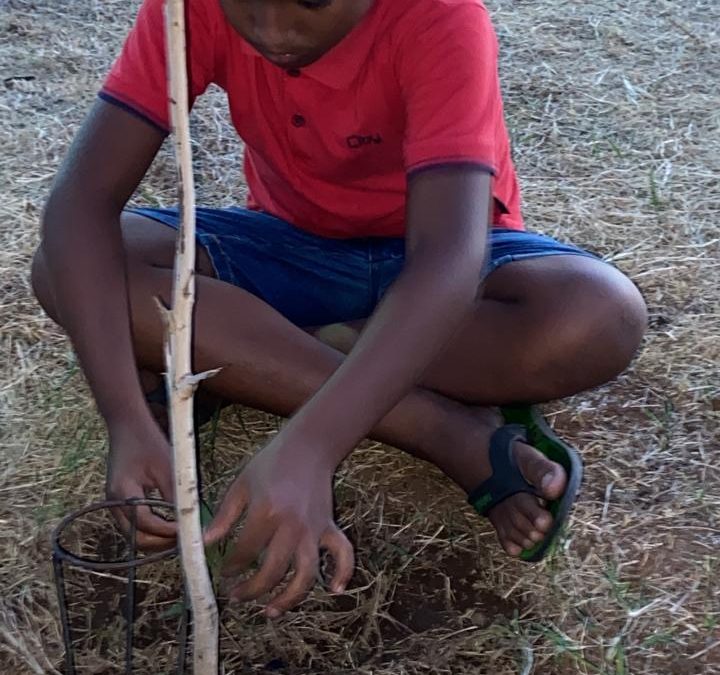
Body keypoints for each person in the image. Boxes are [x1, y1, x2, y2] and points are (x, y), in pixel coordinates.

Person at [31, 0, 647, 618]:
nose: (273, 32)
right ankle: (444, 431)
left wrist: (311, 448)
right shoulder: (187, 8)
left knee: (597, 315)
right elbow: (79, 203)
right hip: (292, 246)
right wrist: (125, 417)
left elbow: (444, 263)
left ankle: (248, 356)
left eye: (313, 4)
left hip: (440, 257)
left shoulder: (440, 16)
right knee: (67, 268)